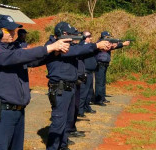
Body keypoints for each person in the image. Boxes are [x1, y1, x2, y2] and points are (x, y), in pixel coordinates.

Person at [0, 14, 70, 150]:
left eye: (13, 29)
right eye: (8, 30)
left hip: (18, 111)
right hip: (1, 113)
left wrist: (54, 53)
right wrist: (48, 48)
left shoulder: (13, 49)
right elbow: (16, 57)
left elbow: (32, 60)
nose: (13, 33)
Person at [45, 22, 111, 150]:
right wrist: (96, 45)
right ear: (63, 34)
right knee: (58, 121)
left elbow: (81, 52)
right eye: (72, 35)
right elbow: (75, 50)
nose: (74, 38)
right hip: (59, 88)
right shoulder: (53, 46)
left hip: (69, 87)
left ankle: (63, 145)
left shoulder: (66, 46)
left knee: (66, 120)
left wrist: (98, 48)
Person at [94, 31, 130, 106]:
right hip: (100, 64)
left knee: (103, 82)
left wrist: (121, 44)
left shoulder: (106, 43)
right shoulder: (100, 43)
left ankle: (102, 97)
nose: (109, 38)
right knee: (99, 83)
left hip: (104, 64)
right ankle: (98, 100)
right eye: (107, 37)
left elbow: (112, 47)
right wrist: (119, 44)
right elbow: (109, 47)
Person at [78, 31, 97, 117]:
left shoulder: (88, 46)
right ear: (85, 37)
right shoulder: (82, 46)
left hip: (90, 72)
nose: (91, 38)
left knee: (89, 92)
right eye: (89, 36)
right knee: (83, 92)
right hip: (85, 72)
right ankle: (80, 110)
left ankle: (86, 107)